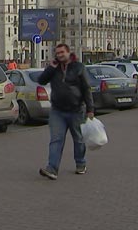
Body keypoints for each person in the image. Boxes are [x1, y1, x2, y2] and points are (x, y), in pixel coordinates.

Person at [36, 43, 95, 180]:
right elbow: (41, 81)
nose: (60, 55)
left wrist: (90, 109)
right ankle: (52, 168)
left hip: (76, 110)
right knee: (56, 140)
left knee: (79, 140)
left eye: (62, 52)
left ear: (68, 52)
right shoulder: (54, 69)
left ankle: (81, 163)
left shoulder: (78, 67)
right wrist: (50, 68)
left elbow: (86, 88)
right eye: (57, 53)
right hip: (57, 111)